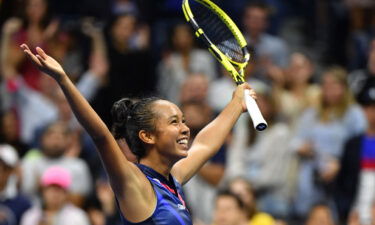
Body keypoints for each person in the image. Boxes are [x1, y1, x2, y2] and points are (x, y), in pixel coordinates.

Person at [20, 43, 257, 224]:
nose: (185, 128)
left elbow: (204, 145)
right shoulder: (133, 182)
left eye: (183, 121)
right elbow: (101, 135)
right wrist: (63, 80)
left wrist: (236, 104)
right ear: (148, 136)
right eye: (174, 122)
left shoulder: (172, 179)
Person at [335, 79, 375, 225]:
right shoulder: (352, 144)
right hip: (355, 213)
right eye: (369, 107)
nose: (373, 112)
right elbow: (343, 181)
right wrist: (344, 210)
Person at [20, 166, 90, 225]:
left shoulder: (78, 217)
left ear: (66, 193)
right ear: (43, 191)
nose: (55, 194)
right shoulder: (30, 216)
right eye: (51, 188)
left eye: (59, 189)